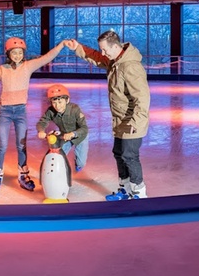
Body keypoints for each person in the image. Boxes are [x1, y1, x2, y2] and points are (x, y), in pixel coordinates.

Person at [0, 37, 67, 193]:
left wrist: (61, 45)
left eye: (20, 52)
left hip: (20, 111)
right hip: (5, 112)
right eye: (14, 53)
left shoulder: (28, 66)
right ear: (8, 53)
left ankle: (23, 174)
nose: (17, 55)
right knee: (2, 145)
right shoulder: (3, 68)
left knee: (21, 145)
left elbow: (47, 57)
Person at [64, 31, 150, 200]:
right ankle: (125, 189)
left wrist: (136, 121)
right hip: (119, 119)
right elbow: (96, 57)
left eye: (105, 49)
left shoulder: (130, 66)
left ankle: (139, 194)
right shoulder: (115, 61)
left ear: (116, 46)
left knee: (129, 156)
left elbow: (143, 96)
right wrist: (78, 48)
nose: (103, 53)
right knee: (119, 153)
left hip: (132, 121)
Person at [36, 83, 89, 172]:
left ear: (67, 100)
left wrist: (73, 134)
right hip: (64, 136)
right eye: (54, 102)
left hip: (80, 137)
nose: (57, 106)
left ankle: (78, 163)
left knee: (81, 163)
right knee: (57, 155)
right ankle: (58, 171)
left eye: (60, 102)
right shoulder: (51, 111)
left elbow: (84, 128)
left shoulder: (75, 109)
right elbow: (42, 122)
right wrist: (41, 131)